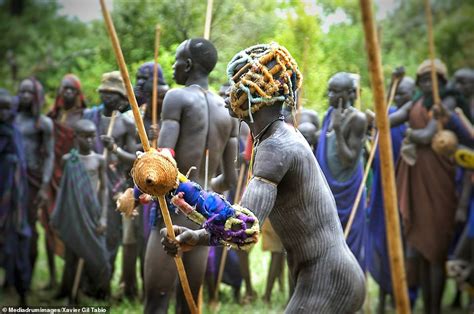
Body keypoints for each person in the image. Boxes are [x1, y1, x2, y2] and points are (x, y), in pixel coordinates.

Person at [161, 43, 365, 312]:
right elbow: (241, 226)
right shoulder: (276, 136)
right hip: (322, 275)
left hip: (329, 279)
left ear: (253, 91)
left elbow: (242, 225)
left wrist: (180, 186)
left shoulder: (276, 146)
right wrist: (197, 237)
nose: (230, 93)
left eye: (236, 84)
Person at [143, 38, 238, 314]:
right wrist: (204, 190)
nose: (172, 67)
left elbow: (164, 161)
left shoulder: (177, 97)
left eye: (175, 61)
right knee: (189, 303)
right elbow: (229, 180)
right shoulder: (227, 110)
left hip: (172, 214)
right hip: (204, 218)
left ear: (187, 65)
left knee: (156, 301)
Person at [390, 59, 458, 314]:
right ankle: (424, 306)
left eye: (435, 79)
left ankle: (435, 309)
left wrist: (411, 134)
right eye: (425, 80)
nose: (430, 84)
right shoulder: (415, 103)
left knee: (436, 250)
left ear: (442, 82)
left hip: (439, 180)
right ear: (419, 83)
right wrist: (389, 89)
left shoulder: (446, 102)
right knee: (419, 248)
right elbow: (391, 119)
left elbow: (428, 134)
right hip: (417, 178)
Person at [366, 75, 415, 312]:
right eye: (400, 92)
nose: (403, 96)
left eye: (408, 92)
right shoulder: (389, 115)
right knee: (383, 242)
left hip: (409, 191)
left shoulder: (414, 117)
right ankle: (385, 297)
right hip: (383, 191)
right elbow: (376, 158)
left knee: (405, 246)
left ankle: (404, 298)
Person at [83, 71, 136, 277]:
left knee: (111, 233)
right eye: (104, 92)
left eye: (112, 94)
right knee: (89, 229)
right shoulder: (89, 117)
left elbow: (134, 158)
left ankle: (104, 280)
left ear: (122, 98)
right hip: (90, 181)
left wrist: (114, 149)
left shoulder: (126, 123)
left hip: (114, 185)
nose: (107, 97)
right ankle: (87, 279)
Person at [51, 119, 110, 303]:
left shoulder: (99, 160)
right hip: (74, 215)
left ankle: (100, 291)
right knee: (72, 256)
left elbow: (104, 189)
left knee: (100, 257)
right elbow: (68, 189)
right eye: (85, 137)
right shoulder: (68, 160)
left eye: (93, 137)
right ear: (76, 137)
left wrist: (103, 217)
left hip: (92, 214)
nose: (90, 140)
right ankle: (71, 294)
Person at [315, 72, 368, 269]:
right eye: (329, 91)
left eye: (335, 92)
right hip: (328, 190)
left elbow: (349, 159)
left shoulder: (358, 119)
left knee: (349, 242)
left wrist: (337, 129)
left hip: (348, 192)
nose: (330, 95)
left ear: (349, 93)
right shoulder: (328, 116)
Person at [47, 74, 87, 292]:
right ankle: (53, 278)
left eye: (72, 89)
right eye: (64, 89)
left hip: (73, 178)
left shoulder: (84, 116)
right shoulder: (52, 116)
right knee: (49, 224)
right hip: (51, 176)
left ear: (78, 93)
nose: (67, 93)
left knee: (71, 229)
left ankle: (72, 281)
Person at [15, 77, 54, 284]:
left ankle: (27, 278)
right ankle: (11, 276)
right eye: (22, 91)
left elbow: (49, 155)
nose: (25, 96)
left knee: (29, 228)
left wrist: (44, 185)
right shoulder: (10, 118)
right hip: (11, 181)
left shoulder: (43, 123)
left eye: (29, 92)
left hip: (32, 180)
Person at [0, 89, 31, 305]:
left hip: (15, 198)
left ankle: (21, 293)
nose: (4, 112)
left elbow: (21, 164)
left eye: (7, 107)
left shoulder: (15, 131)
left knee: (18, 240)